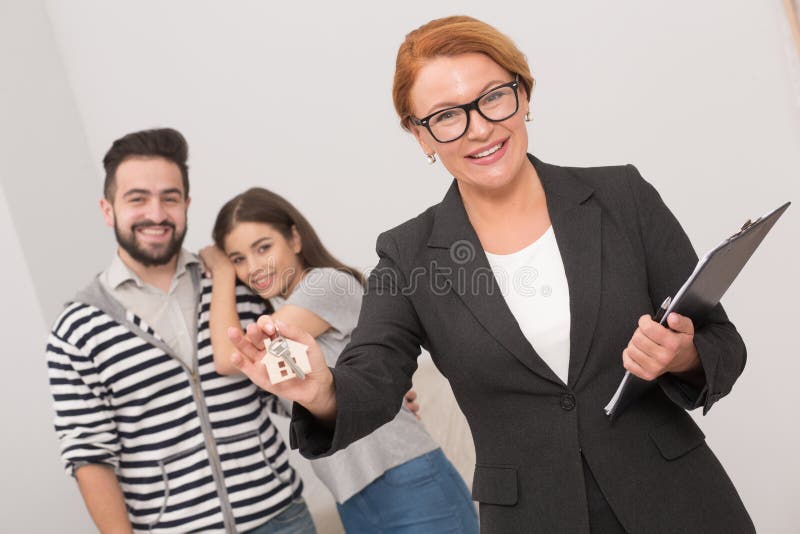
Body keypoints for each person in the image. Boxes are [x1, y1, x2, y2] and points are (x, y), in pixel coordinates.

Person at [227, 16, 756, 534]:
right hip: (533, 516)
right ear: (420, 136)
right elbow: (374, 375)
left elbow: (721, 342)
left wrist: (684, 356)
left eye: (493, 97)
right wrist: (322, 393)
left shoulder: (623, 197)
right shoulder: (408, 255)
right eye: (446, 116)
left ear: (523, 95)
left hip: (678, 500)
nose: (480, 127)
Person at [45, 128, 315, 534]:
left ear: (186, 205)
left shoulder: (236, 286)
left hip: (281, 516)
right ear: (107, 209)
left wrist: (364, 396)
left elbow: (290, 390)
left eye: (169, 198)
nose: (156, 213)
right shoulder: (77, 330)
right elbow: (90, 457)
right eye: (137, 199)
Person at [199, 187, 478, 533]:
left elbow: (229, 358)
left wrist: (222, 272)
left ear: (295, 239)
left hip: (408, 480)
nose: (253, 267)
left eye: (263, 248)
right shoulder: (285, 322)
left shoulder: (326, 285)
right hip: (353, 500)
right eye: (238, 258)